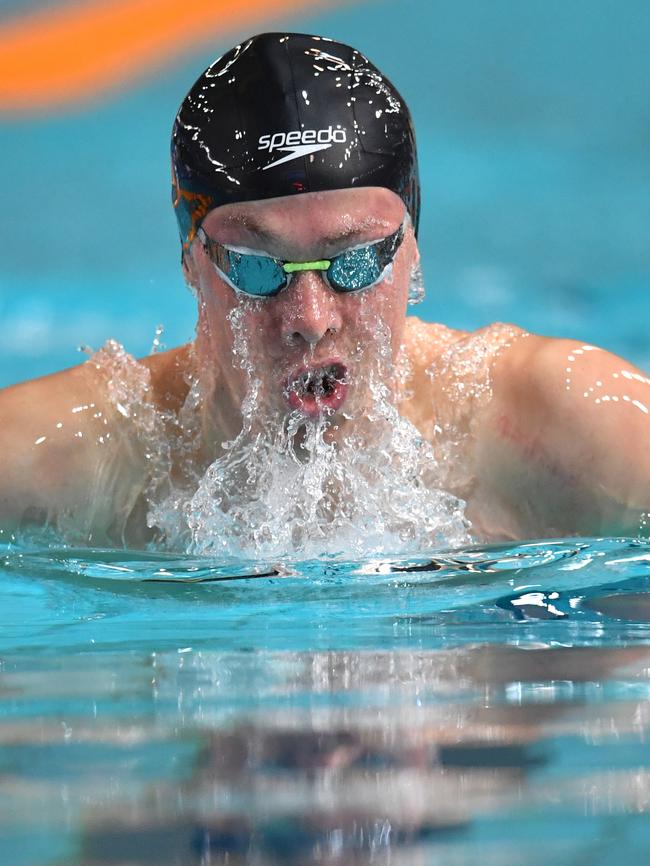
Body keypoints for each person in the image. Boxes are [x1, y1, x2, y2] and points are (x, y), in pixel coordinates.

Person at [1, 32, 648, 552]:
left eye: (357, 260)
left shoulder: (567, 427)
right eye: (256, 267)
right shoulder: (62, 458)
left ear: (413, 243)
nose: (310, 318)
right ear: (191, 261)